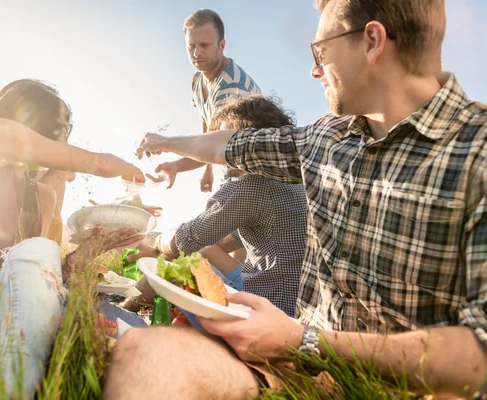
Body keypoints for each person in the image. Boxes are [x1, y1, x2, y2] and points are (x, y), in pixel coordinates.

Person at [109, 0, 487, 398]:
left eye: (320, 52)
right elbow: (234, 145)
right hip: (301, 368)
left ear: (373, 42)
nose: (314, 70)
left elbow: (480, 353)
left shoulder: (476, 151)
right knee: (145, 357)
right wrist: (167, 144)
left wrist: (304, 341)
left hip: (388, 386)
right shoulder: (325, 138)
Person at [0, 79, 145, 296]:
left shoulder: (42, 194)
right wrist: (129, 169)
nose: (64, 144)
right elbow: (100, 164)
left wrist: (88, 250)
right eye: (60, 130)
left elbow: (40, 273)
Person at [126, 95, 307, 317]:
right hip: (297, 299)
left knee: (181, 261)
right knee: (201, 250)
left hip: (272, 307)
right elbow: (220, 241)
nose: (211, 151)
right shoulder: (297, 183)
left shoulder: (250, 186)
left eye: (219, 139)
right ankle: (135, 301)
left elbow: (186, 240)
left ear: (243, 142)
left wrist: (154, 241)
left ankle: (131, 307)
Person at [152, 9, 261, 193]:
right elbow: (208, 124)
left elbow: (216, 145)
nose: (196, 53)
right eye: (191, 46)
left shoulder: (231, 87)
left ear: (221, 45)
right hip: (230, 168)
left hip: (256, 178)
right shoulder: (196, 80)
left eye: (204, 45)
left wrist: (168, 148)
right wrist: (207, 169)